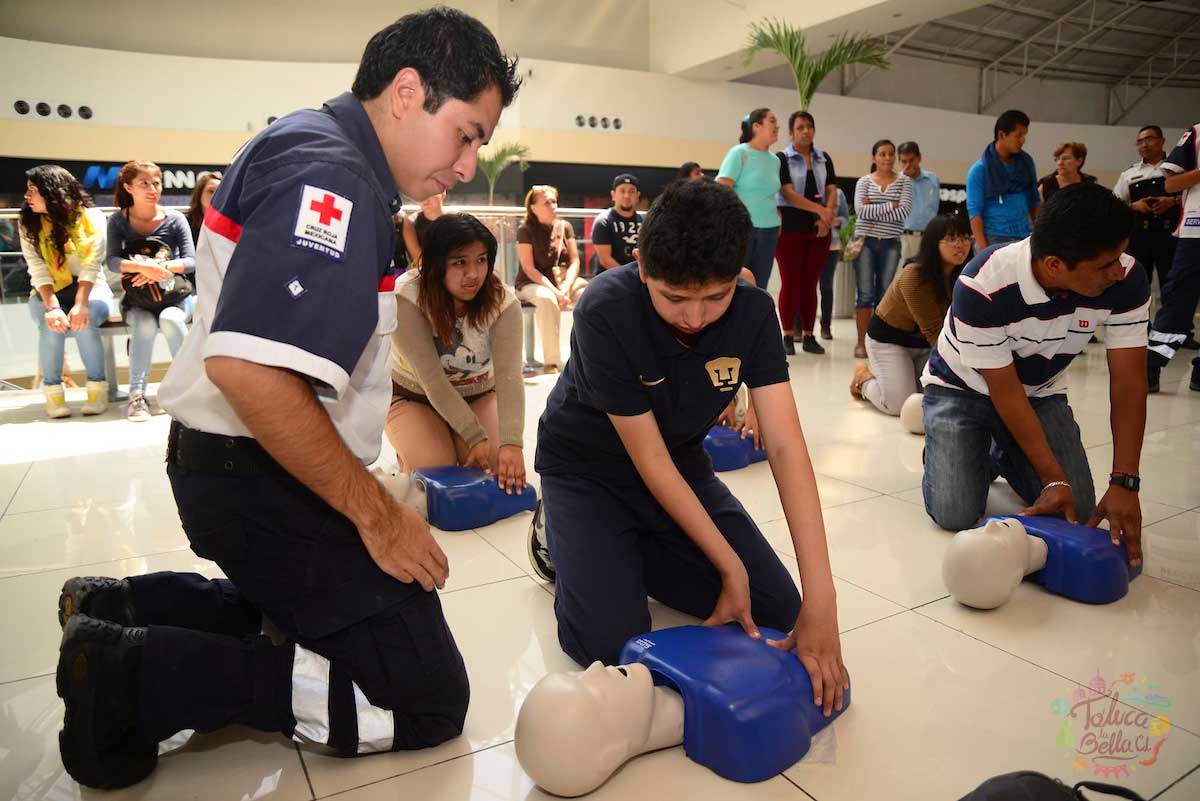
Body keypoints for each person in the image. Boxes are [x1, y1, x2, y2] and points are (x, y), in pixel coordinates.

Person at [53, 8, 520, 790]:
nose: (469, 163)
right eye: (468, 133)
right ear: (408, 93)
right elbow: (254, 374)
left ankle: (129, 607)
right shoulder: (332, 176)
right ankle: (131, 671)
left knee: (331, 614)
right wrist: (376, 515)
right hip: (254, 473)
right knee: (426, 694)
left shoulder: (317, 144)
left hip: (248, 466)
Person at [531, 179, 848, 720]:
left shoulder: (752, 313)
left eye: (716, 297)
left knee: (779, 613)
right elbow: (644, 459)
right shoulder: (606, 308)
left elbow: (786, 445)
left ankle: (636, 548)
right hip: (588, 472)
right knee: (611, 648)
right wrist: (729, 565)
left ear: (740, 275)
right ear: (641, 265)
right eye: (675, 298)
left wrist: (824, 599)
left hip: (680, 466)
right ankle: (553, 534)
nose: (696, 317)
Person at [922, 183, 1148, 567]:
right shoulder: (984, 284)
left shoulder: (1126, 279)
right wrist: (1053, 479)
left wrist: (1125, 479)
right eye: (1105, 264)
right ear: (1055, 265)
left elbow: (1129, 383)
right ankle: (953, 445)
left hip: (1040, 392)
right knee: (955, 512)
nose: (1118, 271)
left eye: (1120, 256)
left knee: (1081, 506)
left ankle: (1000, 452)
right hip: (961, 389)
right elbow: (1005, 391)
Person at [385, 213, 526, 490]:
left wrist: (512, 443)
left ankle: (454, 438)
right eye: (460, 262)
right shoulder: (406, 297)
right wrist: (474, 436)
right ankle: (410, 454)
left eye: (481, 260)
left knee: (499, 462)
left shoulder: (503, 302)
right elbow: (432, 381)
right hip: (414, 397)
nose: (473, 274)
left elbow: (510, 377)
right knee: (436, 470)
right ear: (436, 265)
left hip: (478, 393)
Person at [850, 215, 972, 415]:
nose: (960, 245)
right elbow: (935, 332)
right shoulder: (914, 276)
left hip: (924, 346)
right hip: (890, 342)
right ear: (934, 243)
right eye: (951, 239)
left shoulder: (966, 274)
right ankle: (863, 380)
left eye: (965, 237)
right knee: (899, 405)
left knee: (931, 396)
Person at [19, 165, 114, 418]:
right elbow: (37, 269)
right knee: (50, 324)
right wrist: (52, 307)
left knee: (85, 320)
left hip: (91, 288)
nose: (27, 197)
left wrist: (80, 304)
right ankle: (53, 392)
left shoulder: (92, 218)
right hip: (48, 290)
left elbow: (91, 267)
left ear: (52, 193)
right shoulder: (28, 222)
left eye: (33, 191)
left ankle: (97, 389)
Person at [105, 160, 196, 421]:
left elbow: (191, 261)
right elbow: (111, 260)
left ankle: (186, 390)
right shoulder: (118, 221)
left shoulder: (175, 219)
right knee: (143, 325)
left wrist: (160, 267)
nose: (152, 188)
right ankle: (137, 396)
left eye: (156, 182)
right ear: (128, 187)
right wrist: (141, 268)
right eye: (144, 183)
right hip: (137, 301)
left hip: (175, 297)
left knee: (170, 319)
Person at [1113, 125, 1187, 342]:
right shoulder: (1130, 173)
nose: (1144, 144)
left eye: (1149, 139)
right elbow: (1115, 203)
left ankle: (1177, 333)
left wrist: (1171, 201)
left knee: (1173, 286)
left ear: (1163, 141)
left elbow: (1192, 197)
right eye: (1140, 141)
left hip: (1171, 236)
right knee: (1137, 284)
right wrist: (1134, 206)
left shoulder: (1178, 170)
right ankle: (1140, 330)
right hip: (1139, 237)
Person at [774, 111, 838, 356]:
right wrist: (821, 211)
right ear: (791, 132)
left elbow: (832, 188)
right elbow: (788, 193)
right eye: (800, 127)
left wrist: (827, 214)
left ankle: (810, 336)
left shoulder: (824, 158)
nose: (806, 131)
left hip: (820, 229)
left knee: (810, 284)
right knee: (791, 283)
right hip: (789, 227)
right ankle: (788, 335)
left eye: (809, 126)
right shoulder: (782, 158)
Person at [1146, 121, 1200, 392]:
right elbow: (1171, 184)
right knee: (1178, 302)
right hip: (1195, 234)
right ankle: (1151, 367)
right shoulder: (1197, 133)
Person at [851, 139, 913, 359]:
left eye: (890, 154)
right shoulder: (864, 182)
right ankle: (861, 343)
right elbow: (861, 211)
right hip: (865, 241)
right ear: (874, 157)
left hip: (890, 243)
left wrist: (873, 207)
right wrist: (890, 205)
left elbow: (904, 211)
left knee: (884, 294)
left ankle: (877, 341)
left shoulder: (904, 182)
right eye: (882, 154)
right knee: (865, 294)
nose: (887, 158)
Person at [515, 184, 586, 373]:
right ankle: (551, 361)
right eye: (547, 202)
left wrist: (566, 287)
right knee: (547, 299)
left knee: (590, 294)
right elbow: (529, 269)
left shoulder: (565, 227)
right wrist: (557, 292)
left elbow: (575, 261)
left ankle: (588, 354)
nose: (553, 206)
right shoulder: (526, 230)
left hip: (563, 281)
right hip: (532, 283)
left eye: (554, 201)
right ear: (533, 208)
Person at [717, 108, 782, 288]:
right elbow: (722, 188)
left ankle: (756, 317)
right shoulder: (739, 153)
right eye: (772, 120)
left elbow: (769, 192)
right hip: (742, 229)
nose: (778, 126)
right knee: (737, 282)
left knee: (760, 286)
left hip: (769, 231)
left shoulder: (775, 160)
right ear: (756, 126)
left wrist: (777, 215)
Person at [966, 109, 1040, 251]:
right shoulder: (979, 170)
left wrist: (1038, 235)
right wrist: (982, 246)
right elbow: (975, 211)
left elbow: (1034, 201)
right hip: (993, 238)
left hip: (1023, 238)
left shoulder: (1027, 163)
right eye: (1019, 135)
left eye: (1024, 135)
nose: (1023, 140)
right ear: (1002, 135)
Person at [897, 142, 940, 264]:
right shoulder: (896, 181)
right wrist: (903, 180)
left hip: (928, 237)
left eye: (911, 160)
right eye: (904, 161)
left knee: (927, 277)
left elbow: (934, 208)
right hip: (905, 236)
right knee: (901, 277)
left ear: (919, 158)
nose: (908, 165)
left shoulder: (933, 179)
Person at [591, 173, 643, 274]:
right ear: (613, 195)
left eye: (631, 191)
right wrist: (629, 278)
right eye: (622, 191)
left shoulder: (644, 222)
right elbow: (605, 260)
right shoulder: (603, 221)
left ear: (638, 196)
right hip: (609, 278)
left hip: (639, 277)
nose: (627, 195)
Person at [817, 187, 850, 341]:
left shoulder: (837, 193)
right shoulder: (806, 187)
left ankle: (826, 326)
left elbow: (845, 218)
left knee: (826, 286)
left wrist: (836, 221)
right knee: (804, 287)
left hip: (832, 245)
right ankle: (799, 327)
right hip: (809, 243)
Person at [402, 189, 445, 268]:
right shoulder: (411, 223)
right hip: (424, 271)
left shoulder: (456, 221)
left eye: (430, 194)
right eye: (421, 195)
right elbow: (418, 260)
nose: (426, 200)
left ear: (443, 194)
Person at [184, 171, 222, 246]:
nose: (216, 195)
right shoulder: (185, 224)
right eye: (211, 191)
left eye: (220, 192)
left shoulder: (230, 224)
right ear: (199, 194)